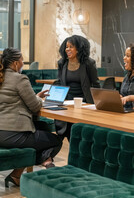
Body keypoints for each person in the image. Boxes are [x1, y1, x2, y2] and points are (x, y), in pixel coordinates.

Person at [0, 48, 62, 187]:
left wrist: (35, 97)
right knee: (56, 140)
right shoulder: (19, 78)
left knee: (40, 130)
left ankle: (16, 175)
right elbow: (34, 107)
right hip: (13, 134)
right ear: (16, 63)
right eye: (22, 60)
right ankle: (46, 161)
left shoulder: (1, 76)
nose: (23, 63)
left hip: (1, 132)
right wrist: (39, 99)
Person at [55, 35, 100, 140]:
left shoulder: (89, 63)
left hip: (84, 104)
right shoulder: (62, 63)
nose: (67, 49)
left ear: (79, 49)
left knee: (80, 135)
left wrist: (97, 104)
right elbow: (59, 82)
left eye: (71, 47)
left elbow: (95, 84)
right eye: (66, 47)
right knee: (67, 133)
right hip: (66, 103)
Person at [120, 43, 134, 107]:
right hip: (126, 112)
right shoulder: (127, 76)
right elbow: (123, 94)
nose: (124, 58)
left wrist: (129, 98)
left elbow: (128, 97)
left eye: (128, 56)